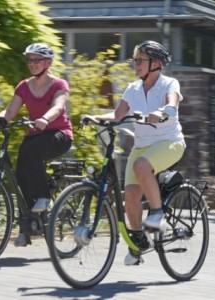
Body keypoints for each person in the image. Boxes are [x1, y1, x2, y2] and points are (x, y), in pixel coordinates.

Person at [84, 40, 185, 265]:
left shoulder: (169, 83)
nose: (135, 64)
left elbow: (172, 103)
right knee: (130, 194)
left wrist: (162, 112)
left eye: (140, 60)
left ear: (156, 64)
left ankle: (157, 213)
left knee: (140, 165)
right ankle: (139, 242)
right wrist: (95, 118)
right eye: (134, 60)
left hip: (169, 142)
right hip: (142, 146)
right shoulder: (133, 88)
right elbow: (117, 115)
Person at [0, 43, 73, 247]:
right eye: (30, 60)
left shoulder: (59, 84)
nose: (32, 64)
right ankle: (27, 228)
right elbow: (9, 113)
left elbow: (58, 107)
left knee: (30, 150)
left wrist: (45, 118)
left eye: (36, 60)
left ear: (48, 63)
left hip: (59, 134)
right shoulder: (24, 86)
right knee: (20, 177)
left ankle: (43, 197)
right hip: (36, 135)